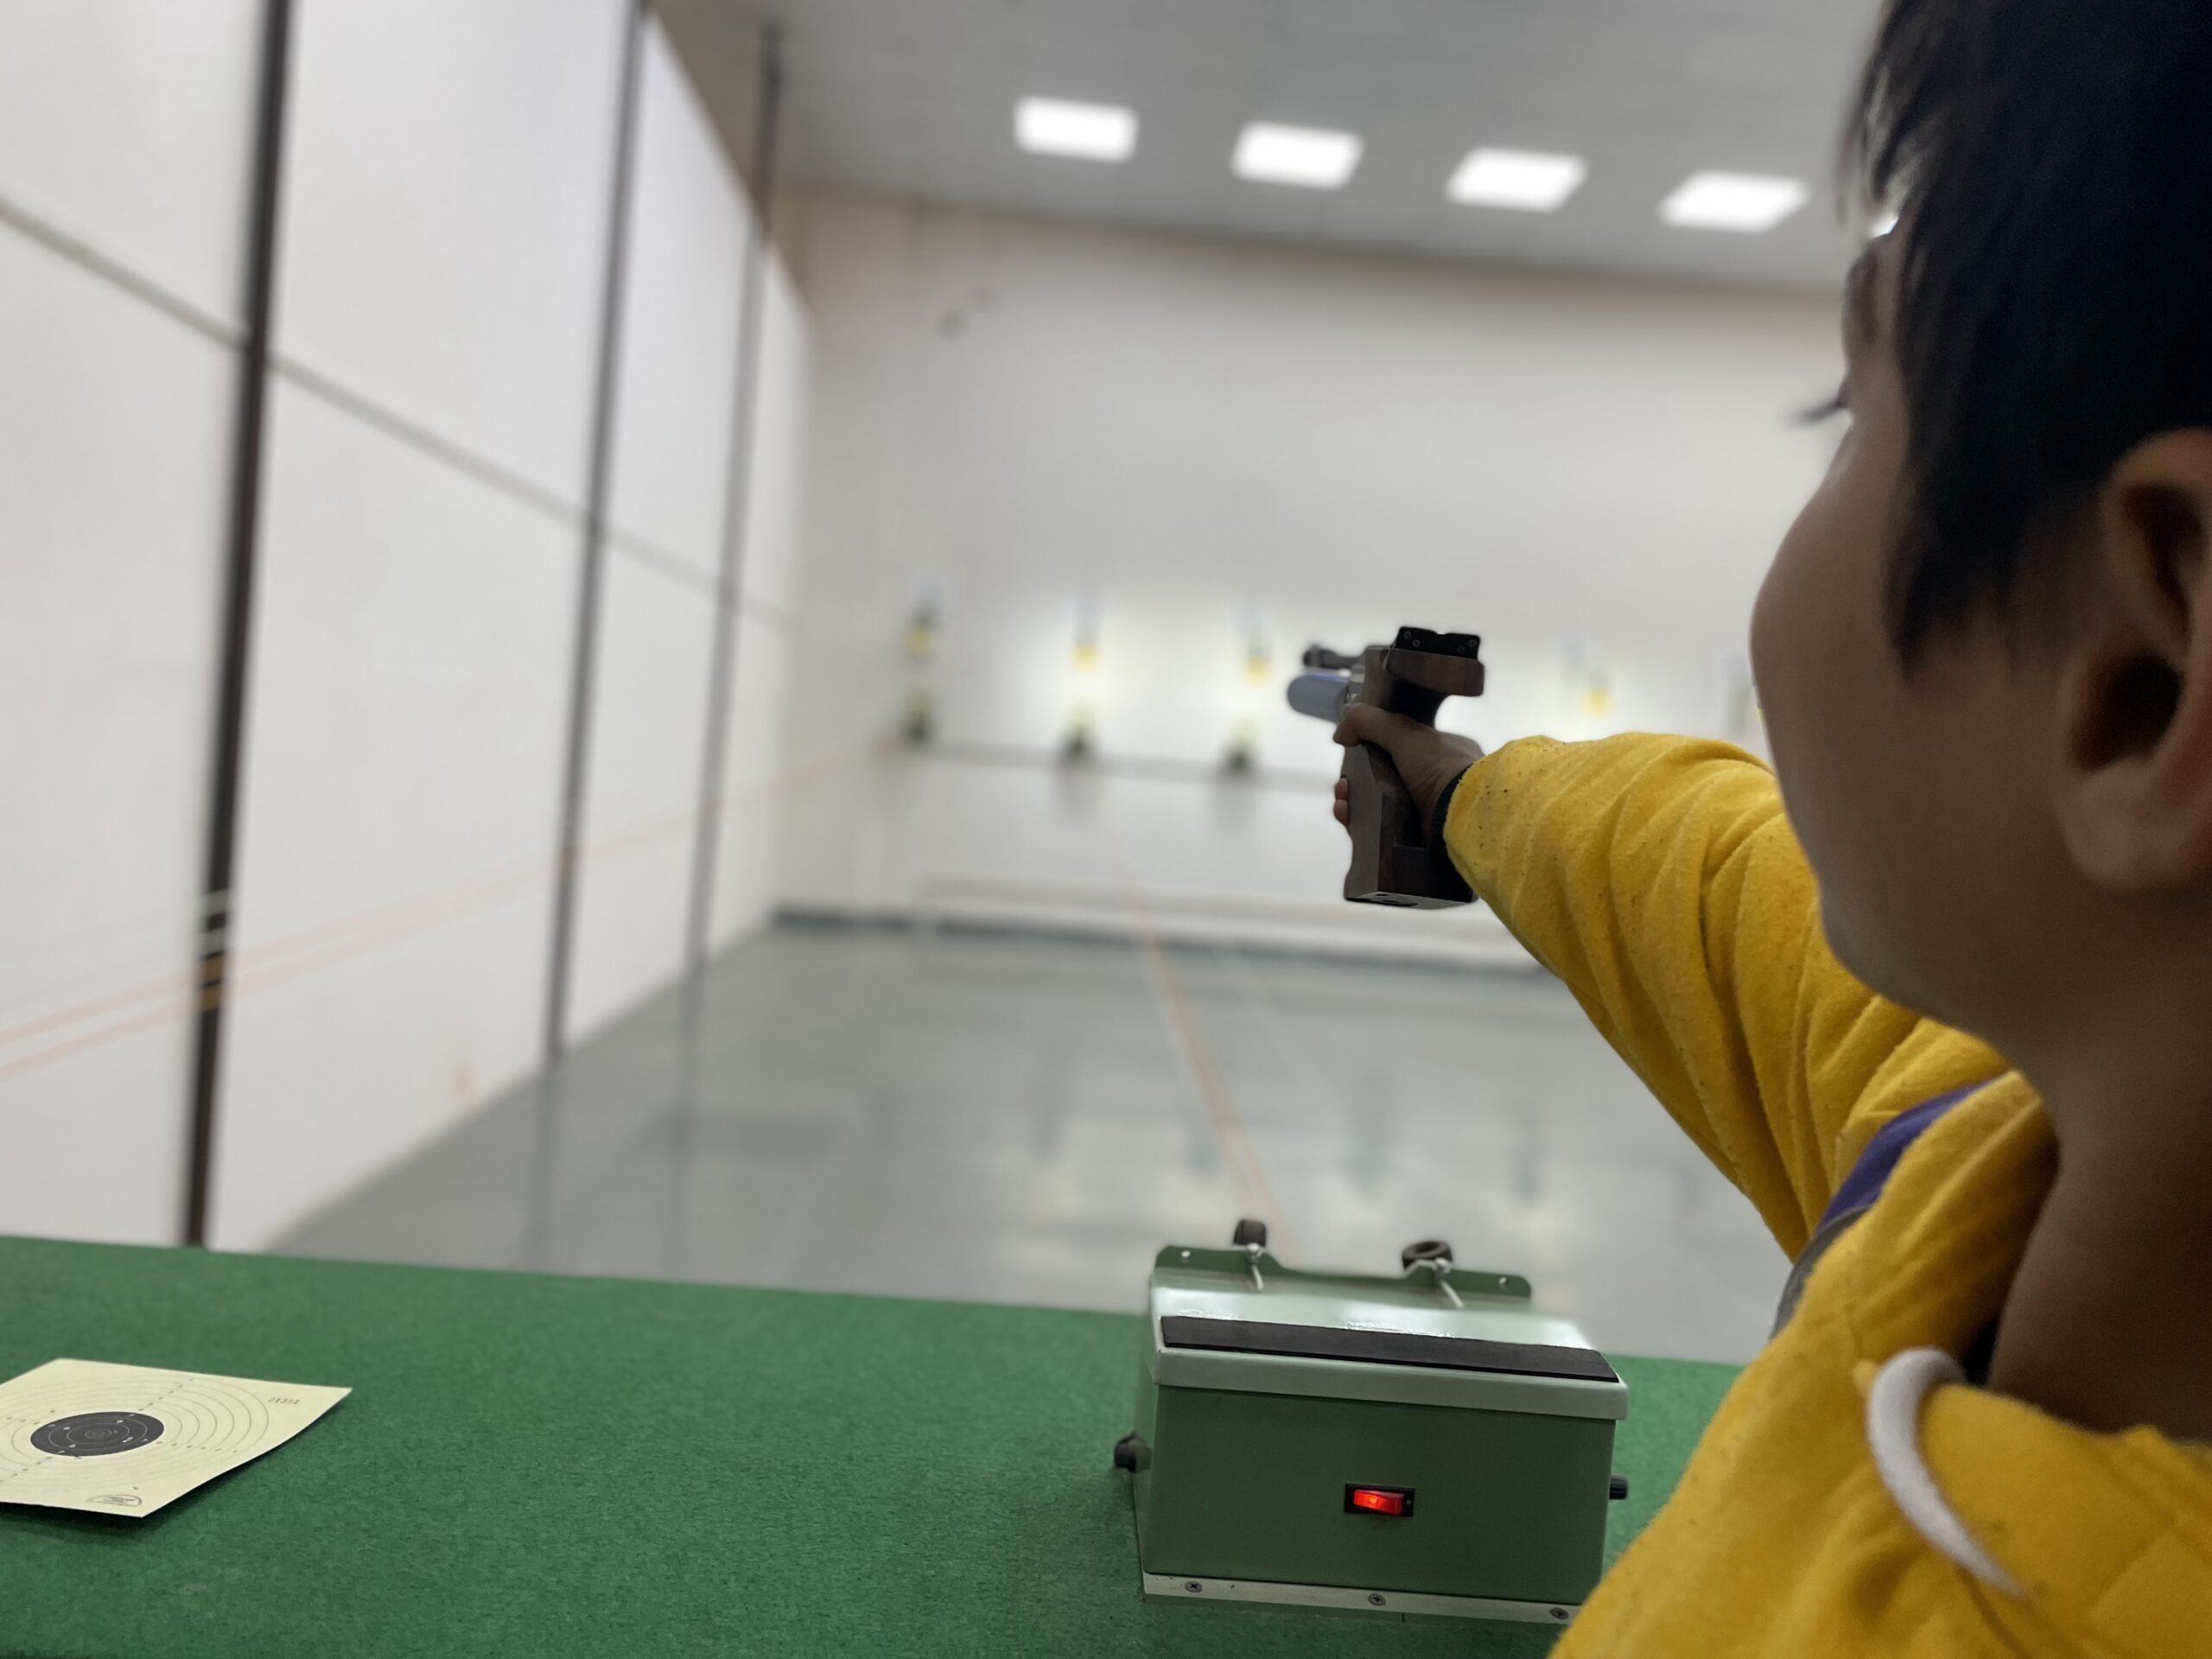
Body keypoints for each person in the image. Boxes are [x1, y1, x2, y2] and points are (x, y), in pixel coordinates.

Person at [1333, 0, 2212, 1649]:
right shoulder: (1986, 1136)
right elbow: (1697, 874)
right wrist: (1457, 792)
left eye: (1852, 415)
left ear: (2145, 688)